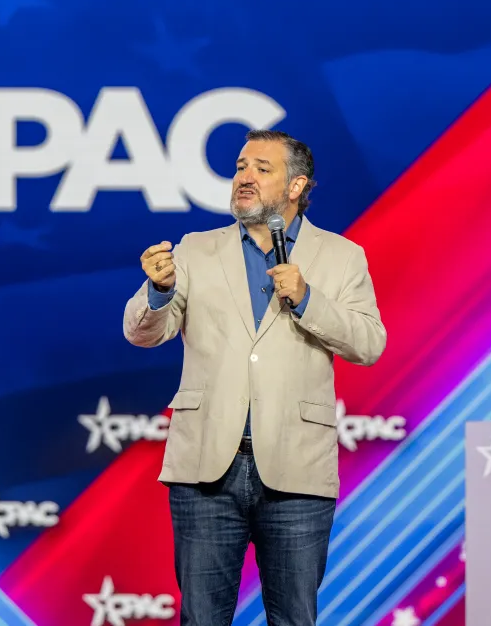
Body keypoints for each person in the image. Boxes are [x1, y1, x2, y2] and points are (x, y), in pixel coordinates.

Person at [122, 129, 387, 626]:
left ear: (295, 186)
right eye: (242, 166)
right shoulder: (195, 250)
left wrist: (309, 299)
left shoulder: (341, 255)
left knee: (293, 618)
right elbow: (142, 333)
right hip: (206, 467)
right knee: (202, 618)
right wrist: (159, 290)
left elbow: (369, 343)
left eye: (262, 169)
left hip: (296, 466)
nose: (245, 177)